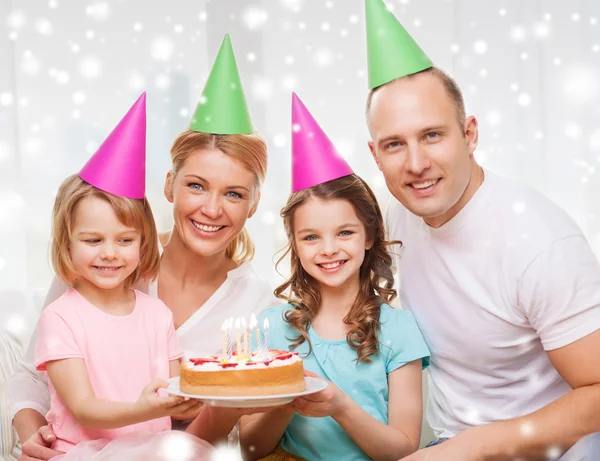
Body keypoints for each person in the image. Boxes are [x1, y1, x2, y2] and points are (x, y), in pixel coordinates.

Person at [9, 34, 276, 461]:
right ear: (169, 185)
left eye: (233, 194)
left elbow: (240, 437)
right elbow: (33, 377)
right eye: (196, 185)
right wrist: (32, 433)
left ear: (254, 204)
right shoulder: (97, 268)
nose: (211, 209)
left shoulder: (255, 304)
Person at [363, 0, 600, 459]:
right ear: (375, 155)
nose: (415, 164)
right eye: (395, 144)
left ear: (469, 134)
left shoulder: (538, 242)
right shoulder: (396, 218)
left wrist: (471, 448)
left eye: (432, 135)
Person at [238, 94, 430, 461]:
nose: (328, 249)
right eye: (311, 237)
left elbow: (404, 449)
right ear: (295, 244)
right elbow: (249, 449)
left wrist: (340, 406)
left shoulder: (398, 330)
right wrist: (285, 400)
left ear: (369, 236)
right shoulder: (271, 328)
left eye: (344, 233)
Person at [33, 93, 202, 456]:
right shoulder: (60, 318)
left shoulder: (157, 315)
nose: (109, 252)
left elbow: (175, 389)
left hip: (154, 450)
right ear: (66, 245)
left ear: (143, 244)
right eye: (93, 239)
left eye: (125, 240)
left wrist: (193, 398)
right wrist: (146, 408)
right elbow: (83, 407)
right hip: (85, 452)